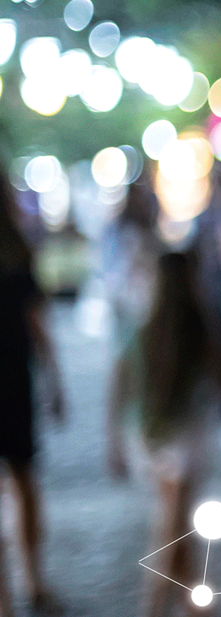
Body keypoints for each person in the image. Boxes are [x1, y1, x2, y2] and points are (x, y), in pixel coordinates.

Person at [106, 252, 221, 617]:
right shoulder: (201, 323)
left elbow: (119, 383)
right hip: (187, 439)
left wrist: (113, 440)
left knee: (176, 530)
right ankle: (156, 605)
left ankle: (197, 607)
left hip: (148, 436)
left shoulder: (141, 322)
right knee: (172, 532)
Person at [0, 177, 64, 617]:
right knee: (24, 479)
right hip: (12, 379)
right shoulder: (17, 248)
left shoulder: (18, 249)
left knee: (23, 480)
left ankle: (7, 593)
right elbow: (37, 324)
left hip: (12, 379)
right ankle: (32, 577)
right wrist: (54, 380)